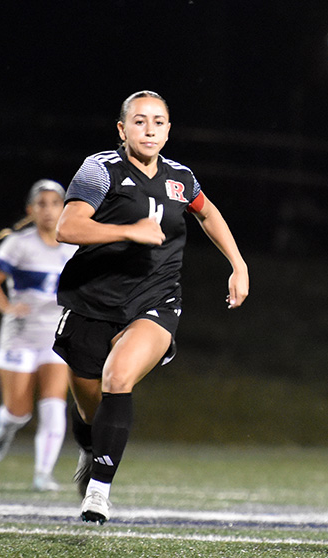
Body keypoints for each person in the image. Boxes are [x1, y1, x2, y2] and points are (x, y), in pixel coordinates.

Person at [53, 90, 249, 524]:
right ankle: (91, 448)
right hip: (91, 301)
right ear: (122, 129)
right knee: (89, 409)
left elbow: (208, 213)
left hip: (155, 299)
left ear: (168, 130)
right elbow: (67, 227)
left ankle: (99, 493)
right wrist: (129, 231)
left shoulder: (181, 177)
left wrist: (238, 264)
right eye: (139, 121)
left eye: (158, 122)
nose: (150, 129)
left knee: (117, 377)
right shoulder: (99, 170)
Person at [0, 179, 77, 491]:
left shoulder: (75, 244)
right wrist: (7, 307)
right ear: (31, 210)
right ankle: (7, 426)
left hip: (55, 336)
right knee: (19, 410)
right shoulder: (18, 244)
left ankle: (43, 474)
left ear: (64, 208)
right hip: (20, 335)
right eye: (42, 204)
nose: (48, 210)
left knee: (54, 405)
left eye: (54, 203)